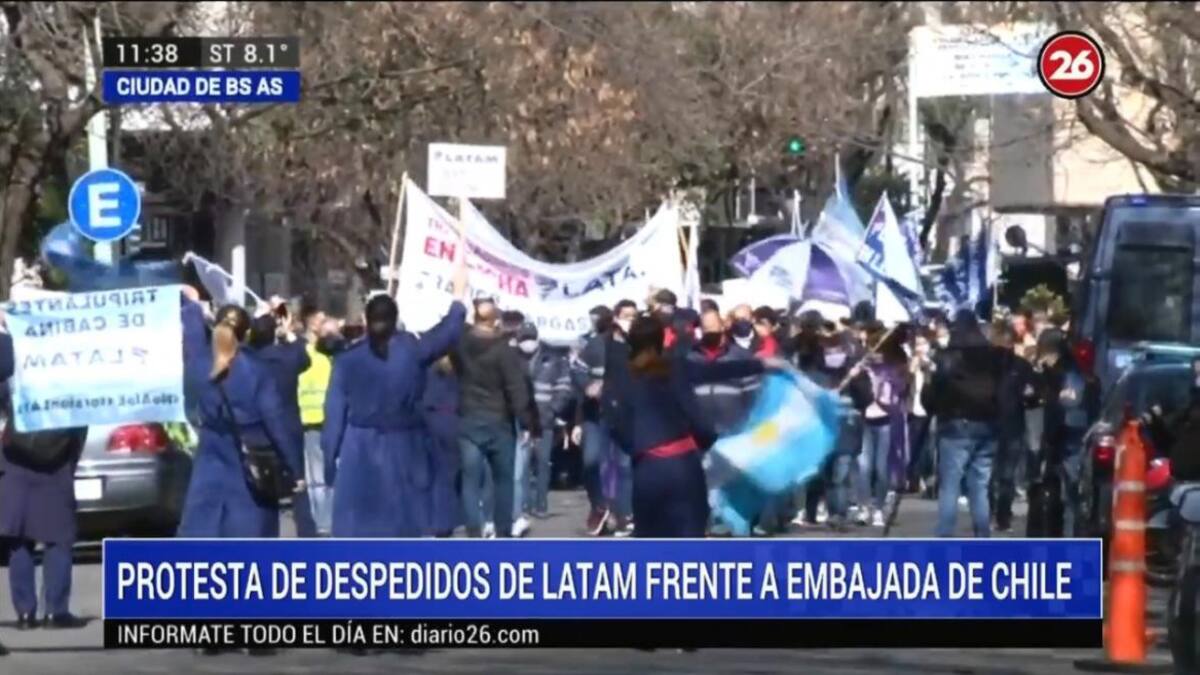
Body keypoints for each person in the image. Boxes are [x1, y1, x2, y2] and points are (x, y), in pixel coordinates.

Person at [323, 250, 468, 538]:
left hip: (359, 447)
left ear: (366, 320)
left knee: (362, 526)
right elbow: (448, 332)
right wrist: (458, 296)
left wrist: (330, 456)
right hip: (405, 446)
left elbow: (334, 412)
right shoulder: (412, 351)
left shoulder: (348, 360)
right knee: (403, 523)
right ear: (395, 319)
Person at [606, 314, 777, 537]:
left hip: (647, 466)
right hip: (684, 464)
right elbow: (716, 371)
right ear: (660, 340)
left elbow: (613, 421)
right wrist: (761, 364)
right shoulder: (675, 367)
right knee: (690, 534)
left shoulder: (622, 376)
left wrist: (637, 448)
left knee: (650, 538)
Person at [177, 290, 304, 541]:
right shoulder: (256, 370)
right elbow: (275, 422)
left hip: (210, 453)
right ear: (246, 333)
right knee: (249, 534)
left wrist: (190, 302)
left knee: (205, 529)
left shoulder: (198, 364)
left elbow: (191, 332)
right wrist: (294, 468)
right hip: (251, 457)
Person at [0, 327, 88, 630]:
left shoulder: (18, 368)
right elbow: (80, 428)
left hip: (15, 463)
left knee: (20, 540)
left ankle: (25, 614)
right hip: (56, 466)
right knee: (58, 539)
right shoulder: (74, 378)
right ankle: (56, 611)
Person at [453, 297, 540, 539]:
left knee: (470, 481)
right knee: (503, 481)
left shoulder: (461, 343)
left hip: (469, 419)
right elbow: (516, 388)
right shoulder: (504, 350)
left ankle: (474, 530)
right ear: (496, 320)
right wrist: (525, 422)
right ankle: (502, 532)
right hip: (498, 422)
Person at [923, 310, 1009, 538]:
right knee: (979, 485)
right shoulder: (994, 357)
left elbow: (932, 396)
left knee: (950, 485)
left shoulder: (947, 357)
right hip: (987, 425)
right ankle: (982, 535)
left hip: (955, 425)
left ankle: (945, 535)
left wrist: (930, 390)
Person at [246, 310, 314, 537]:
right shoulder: (287, 357)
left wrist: (256, 322)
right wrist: (290, 332)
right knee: (298, 487)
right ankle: (306, 534)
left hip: (259, 431)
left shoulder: (249, 359)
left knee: (261, 490)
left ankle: (265, 536)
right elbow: (305, 358)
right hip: (290, 428)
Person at [1035, 328, 1096, 538]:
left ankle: (1069, 542)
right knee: (1064, 500)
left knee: (1071, 500)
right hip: (1063, 442)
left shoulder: (1070, 376)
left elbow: (1069, 410)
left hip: (1069, 444)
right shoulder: (1064, 374)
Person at [848, 323, 910, 528]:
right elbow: (851, 386)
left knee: (881, 467)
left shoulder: (894, 367)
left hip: (885, 419)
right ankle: (864, 507)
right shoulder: (863, 365)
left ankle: (879, 507)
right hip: (865, 418)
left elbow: (901, 389)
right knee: (864, 466)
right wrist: (857, 372)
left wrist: (887, 378)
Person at [516, 324, 573, 527]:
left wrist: (553, 410)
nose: (527, 343)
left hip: (544, 420)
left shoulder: (553, 358)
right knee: (521, 467)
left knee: (542, 463)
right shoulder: (514, 358)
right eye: (523, 338)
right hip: (521, 420)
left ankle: (541, 505)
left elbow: (564, 387)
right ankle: (522, 506)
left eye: (530, 338)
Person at [570, 304, 615, 535]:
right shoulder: (592, 346)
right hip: (593, 416)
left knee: (621, 466)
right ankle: (599, 505)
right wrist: (587, 386)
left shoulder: (627, 347)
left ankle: (622, 512)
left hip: (620, 417)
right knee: (590, 462)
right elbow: (577, 373)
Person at [296, 312, 342, 536]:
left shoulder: (303, 354)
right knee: (328, 474)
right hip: (325, 421)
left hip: (310, 421)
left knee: (316, 477)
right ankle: (328, 522)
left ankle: (322, 523)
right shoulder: (333, 357)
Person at [989, 322, 1037, 533]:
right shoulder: (991, 365)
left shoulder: (1020, 366)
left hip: (1005, 426)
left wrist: (1030, 396)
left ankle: (999, 515)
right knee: (997, 476)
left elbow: (1034, 393)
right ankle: (996, 515)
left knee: (1000, 475)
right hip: (998, 425)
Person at [597, 300, 639, 535]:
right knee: (603, 465)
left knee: (625, 466)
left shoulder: (638, 346)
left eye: (634, 316)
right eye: (626, 315)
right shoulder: (603, 344)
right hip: (606, 412)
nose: (630, 320)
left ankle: (627, 516)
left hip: (630, 413)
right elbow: (585, 371)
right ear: (615, 317)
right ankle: (608, 511)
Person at [690, 309, 761, 435]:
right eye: (706, 329)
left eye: (714, 329)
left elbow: (754, 399)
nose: (710, 333)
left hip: (734, 435)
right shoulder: (690, 358)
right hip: (699, 436)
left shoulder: (742, 357)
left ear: (722, 326)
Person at [422, 355, 461, 537]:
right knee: (448, 475)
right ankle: (445, 522)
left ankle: (431, 521)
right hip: (453, 421)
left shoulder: (427, 371)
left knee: (430, 473)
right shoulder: (460, 372)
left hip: (430, 420)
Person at [907, 329, 936, 499]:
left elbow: (936, 376)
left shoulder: (932, 362)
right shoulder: (912, 363)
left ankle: (929, 480)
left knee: (929, 448)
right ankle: (914, 479)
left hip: (929, 410)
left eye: (923, 344)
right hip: (914, 409)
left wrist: (926, 364)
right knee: (914, 446)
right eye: (917, 344)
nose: (920, 348)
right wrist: (913, 367)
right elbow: (905, 383)